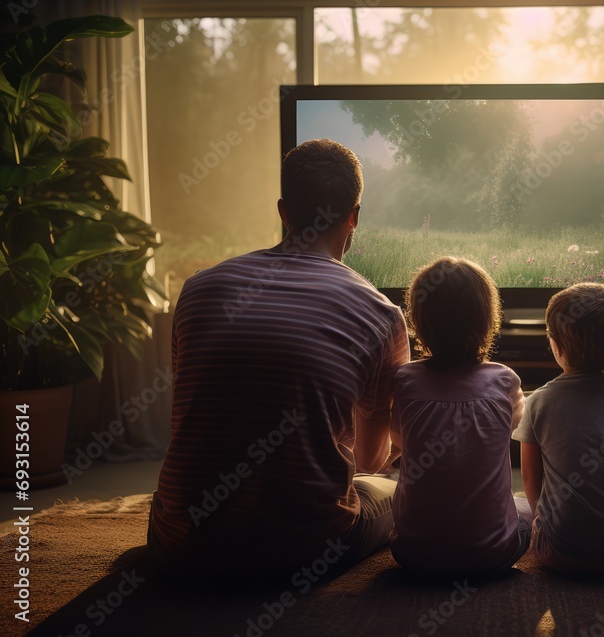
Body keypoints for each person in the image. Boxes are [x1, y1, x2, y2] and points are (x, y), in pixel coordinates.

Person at [147, 139, 410, 577]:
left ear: (283, 211)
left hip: (179, 542)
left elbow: (198, 410)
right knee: (395, 490)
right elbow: (369, 459)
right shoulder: (381, 314)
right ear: (354, 216)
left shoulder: (198, 290)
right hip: (306, 551)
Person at [389, 257, 531, 578]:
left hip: (412, 556)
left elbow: (399, 441)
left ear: (419, 321)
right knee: (528, 506)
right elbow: (506, 432)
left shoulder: (404, 381)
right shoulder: (504, 379)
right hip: (492, 557)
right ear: (486, 320)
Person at [513, 283, 604, 574]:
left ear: (556, 345)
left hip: (562, 554)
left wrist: (543, 518)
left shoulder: (538, 402)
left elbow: (530, 477)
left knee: (515, 507)